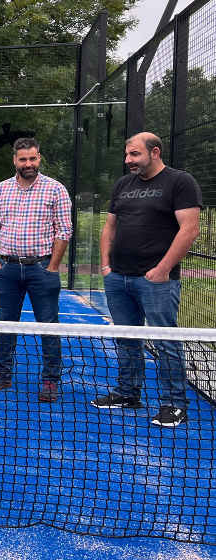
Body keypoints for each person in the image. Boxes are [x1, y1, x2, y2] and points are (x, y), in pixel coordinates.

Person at [91, 132, 201, 428]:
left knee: (166, 341)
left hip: (156, 281)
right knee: (126, 339)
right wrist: (105, 267)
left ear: (154, 152)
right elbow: (109, 227)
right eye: (127, 155)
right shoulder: (123, 185)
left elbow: (189, 229)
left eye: (134, 155)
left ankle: (174, 404)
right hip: (118, 278)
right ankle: (128, 393)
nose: (128, 161)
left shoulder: (180, 182)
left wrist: (163, 269)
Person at [0, 137, 72, 402]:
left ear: (39, 158)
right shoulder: (0, 189)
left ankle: (50, 381)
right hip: (7, 269)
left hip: (42, 268)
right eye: (23, 159)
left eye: (33, 158)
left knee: (48, 326)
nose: (28, 164)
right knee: (6, 325)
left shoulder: (56, 189)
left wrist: (53, 267)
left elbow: (64, 230)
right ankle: (2, 374)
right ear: (15, 160)